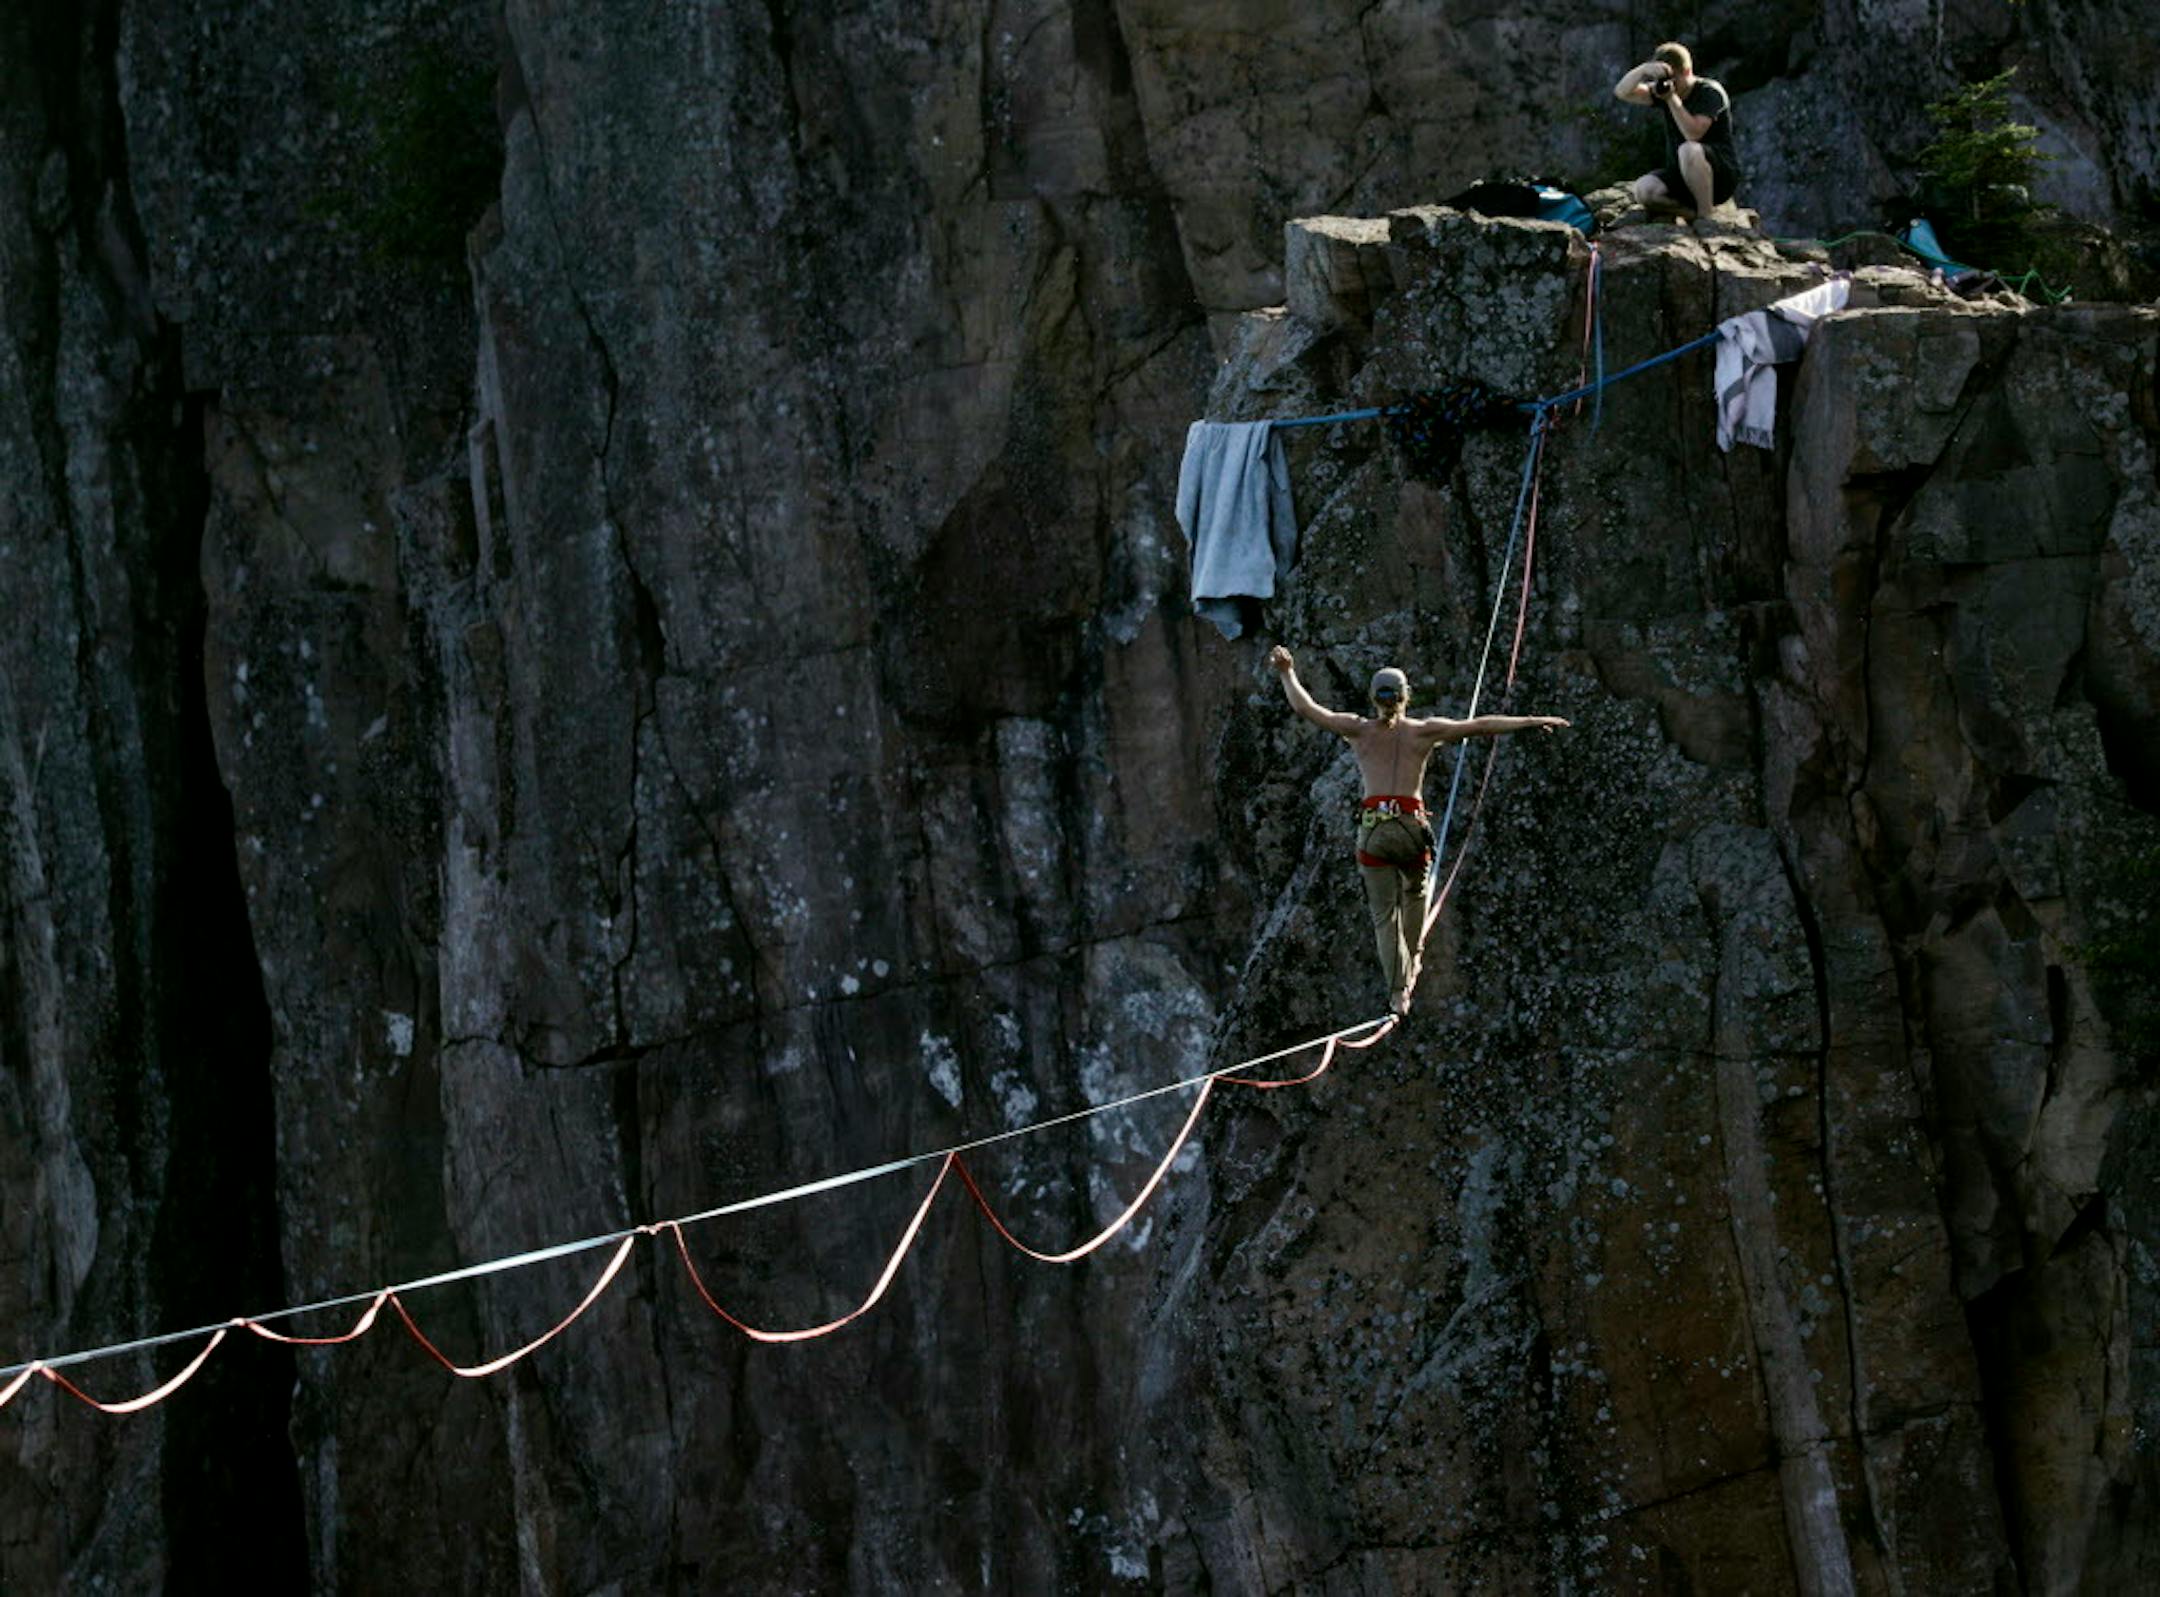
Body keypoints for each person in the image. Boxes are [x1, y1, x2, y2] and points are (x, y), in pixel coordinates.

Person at [1268, 648, 1569, 1016]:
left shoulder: (1357, 729)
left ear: (1373, 698)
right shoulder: (1425, 732)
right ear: (1406, 697)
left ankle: (1397, 992)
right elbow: (1481, 725)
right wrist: (1532, 720)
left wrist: (1287, 672)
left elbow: (1307, 709)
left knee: (1383, 918)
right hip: (1411, 830)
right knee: (1415, 894)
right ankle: (1413, 964)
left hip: (1374, 832)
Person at [1614, 42, 1742, 220]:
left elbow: (1694, 134)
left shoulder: (1709, 92)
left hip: (1718, 177)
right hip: (1681, 174)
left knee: (1688, 149)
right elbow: (1622, 92)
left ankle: (1706, 215)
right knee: (1644, 190)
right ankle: (1690, 214)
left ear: (1687, 71)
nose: (1671, 84)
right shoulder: (1665, 91)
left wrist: (1671, 99)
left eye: (1675, 78)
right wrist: (1643, 70)